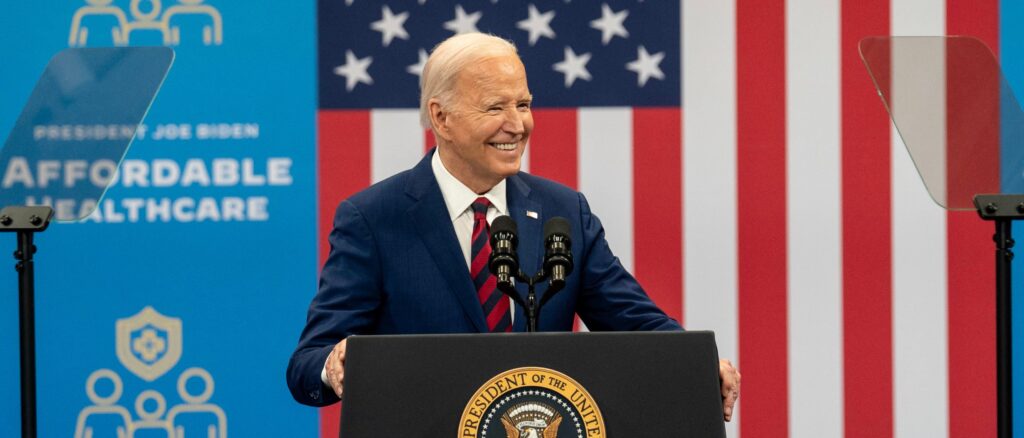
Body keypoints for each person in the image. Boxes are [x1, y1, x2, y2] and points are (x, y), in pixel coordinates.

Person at [287, 32, 740, 421]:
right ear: (441, 117)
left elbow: (635, 321)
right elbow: (307, 365)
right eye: (495, 107)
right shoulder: (373, 218)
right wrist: (337, 364)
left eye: (523, 104)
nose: (517, 125)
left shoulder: (563, 212)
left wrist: (695, 364)